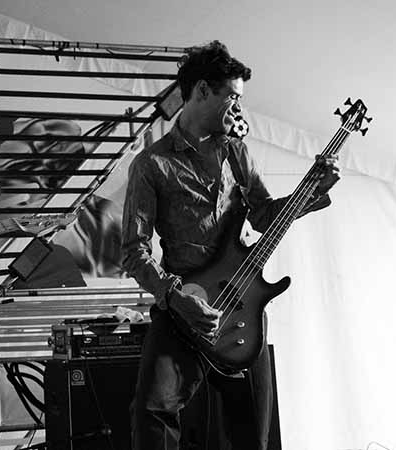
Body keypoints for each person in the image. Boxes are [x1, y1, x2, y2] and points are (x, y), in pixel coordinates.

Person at [121, 41, 340, 449]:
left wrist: (311, 192)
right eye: (233, 98)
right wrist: (175, 297)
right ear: (203, 90)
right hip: (184, 307)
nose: (239, 109)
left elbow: (263, 215)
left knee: (252, 432)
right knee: (151, 415)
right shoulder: (151, 164)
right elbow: (134, 251)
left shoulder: (237, 152)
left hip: (242, 302)